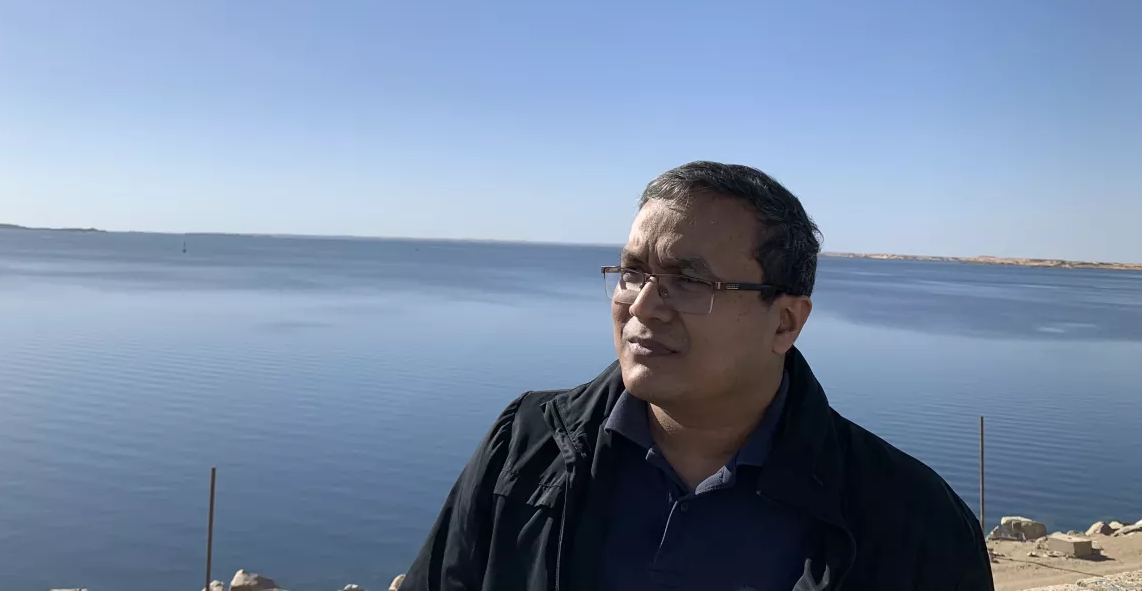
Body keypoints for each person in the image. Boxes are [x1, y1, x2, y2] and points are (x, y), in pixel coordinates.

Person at [398, 161, 993, 591]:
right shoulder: (525, 448)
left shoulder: (913, 524)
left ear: (785, 321)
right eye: (632, 273)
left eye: (689, 281)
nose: (643, 306)